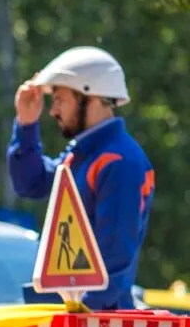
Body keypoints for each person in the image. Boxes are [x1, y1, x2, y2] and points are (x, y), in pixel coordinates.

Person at [8, 45, 155, 310]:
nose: (53, 111)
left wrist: (80, 315)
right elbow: (30, 183)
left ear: (92, 98)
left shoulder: (119, 161)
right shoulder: (81, 155)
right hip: (73, 318)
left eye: (61, 100)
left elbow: (115, 256)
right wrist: (26, 125)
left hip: (98, 326)